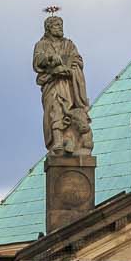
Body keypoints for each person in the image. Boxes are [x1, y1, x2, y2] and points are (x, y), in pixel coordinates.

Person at [33, 15, 93, 157]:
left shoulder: (69, 44)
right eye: (56, 25)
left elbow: (78, 59)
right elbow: (38, 60)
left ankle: (70, 140)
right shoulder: (42, 45)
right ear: (48, 28)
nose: (60, 27)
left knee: (70, 112)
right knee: (55, 109)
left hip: (68, 84)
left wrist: (72, 67)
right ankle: (57, 142)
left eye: (61, 25)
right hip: (52, 83)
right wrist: (50, 59)